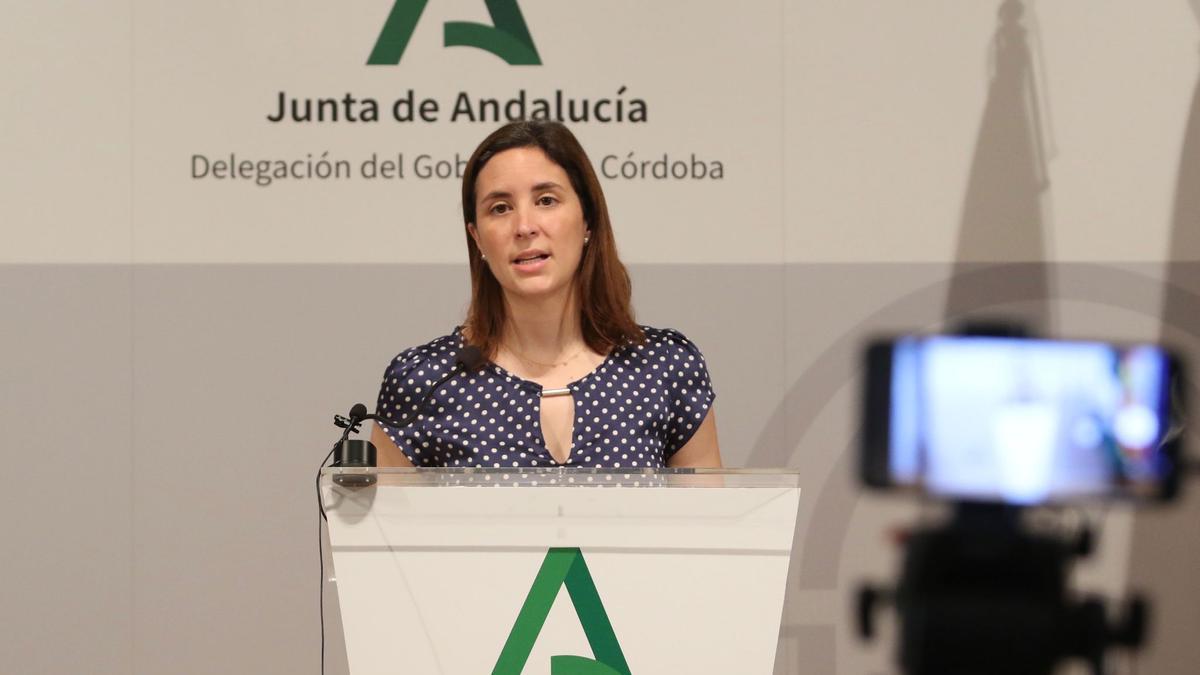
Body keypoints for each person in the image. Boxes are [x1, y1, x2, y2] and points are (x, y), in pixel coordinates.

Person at [371, 120, 721, 468]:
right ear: (477, 237)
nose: (524, 227)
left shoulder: (664, 368)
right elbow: (383, 524)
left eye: (546, 200)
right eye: (500, 208)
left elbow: (709, 522)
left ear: (588, 220)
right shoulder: (424, 381)